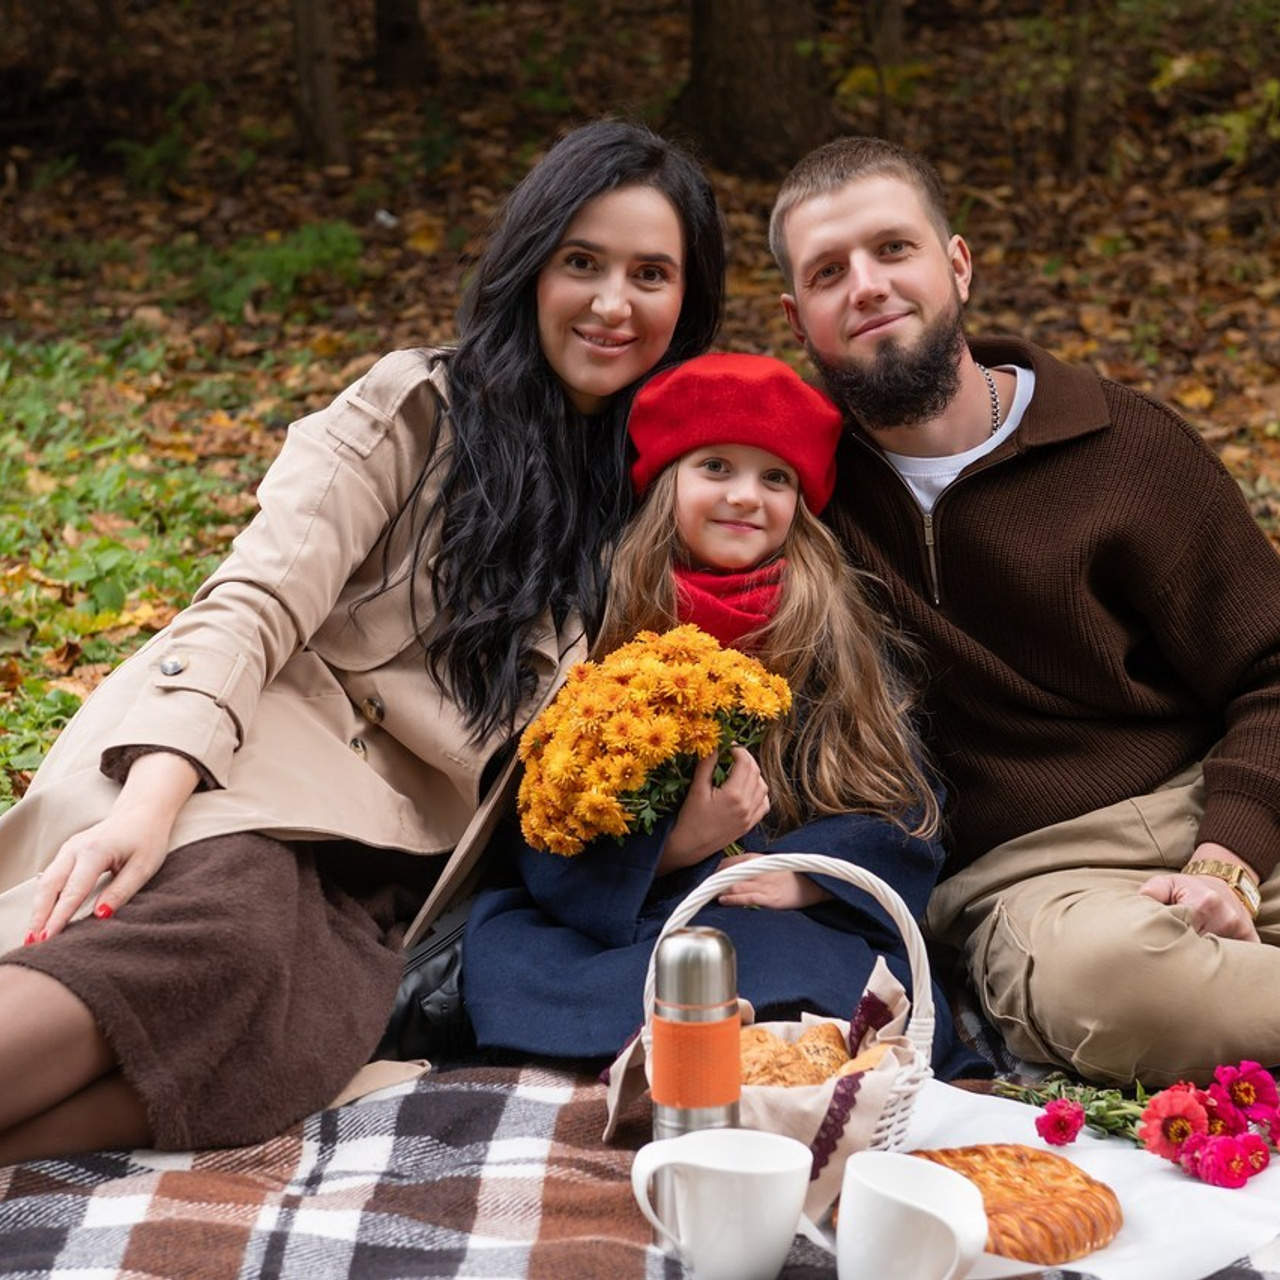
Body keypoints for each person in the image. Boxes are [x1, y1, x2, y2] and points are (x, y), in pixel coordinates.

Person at [0, 118, 727, 1163]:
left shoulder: (666, 495)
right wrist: (152, 801)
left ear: (686, 301)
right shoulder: (415, 407)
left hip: (395, 875)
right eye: (582, 263)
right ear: (530, 268)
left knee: (281, 1043)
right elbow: (250, 598)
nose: (613, 303)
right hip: (255, 770)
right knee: (218, 940)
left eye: (649, 274)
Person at [768, 135, 1280, 1088]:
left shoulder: (1120, 445)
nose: (868, 284)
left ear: (956, 264)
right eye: (830, 272)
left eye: (894, 249)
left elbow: (1271, 664)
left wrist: (1230, 852)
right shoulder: (796, 497)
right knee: (1113, 989)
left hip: (1226, 804)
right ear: (800, 320)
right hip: (1044, 881)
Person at [463, 353, 984, 1079]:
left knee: (796, 966)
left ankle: (746, 1047)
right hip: (623, 906)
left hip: (770, 900)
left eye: (775, 478)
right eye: (716, 467)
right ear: (667, 481)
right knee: (520, 965)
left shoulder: (830, 629)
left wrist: (809, 875)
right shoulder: (598, 617)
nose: (746, 496)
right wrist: (675, 846)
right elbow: (542, 803)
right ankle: (668, 1047)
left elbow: (905, 793)